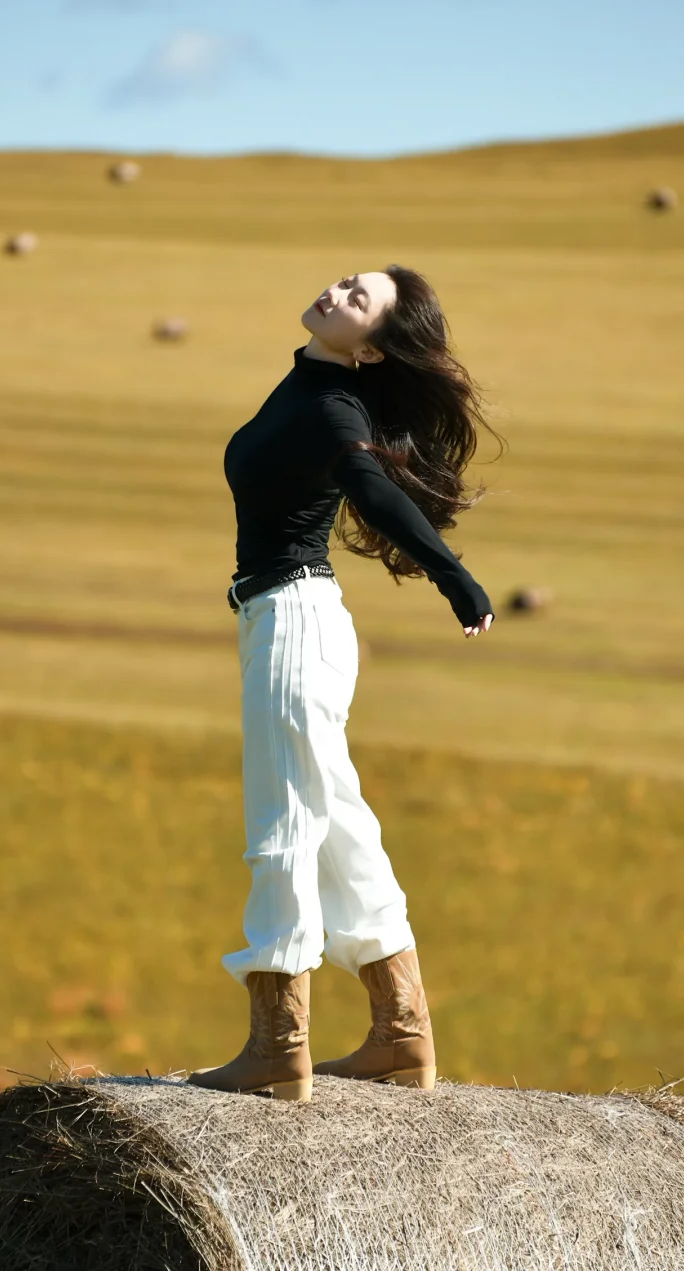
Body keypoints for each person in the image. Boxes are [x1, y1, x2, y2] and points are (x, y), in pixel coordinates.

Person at [188, 265, 495, 1103]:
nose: (337, 292)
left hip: (294, 621)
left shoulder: (333, 408)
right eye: (348, 281)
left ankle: (277, 1044)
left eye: (359, 301)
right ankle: (401, 1029)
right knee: (339, 826)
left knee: (282, 822)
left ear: (371, 351)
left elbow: (371, 488)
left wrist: (454, 576)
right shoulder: (311, 385)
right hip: (285, 620)